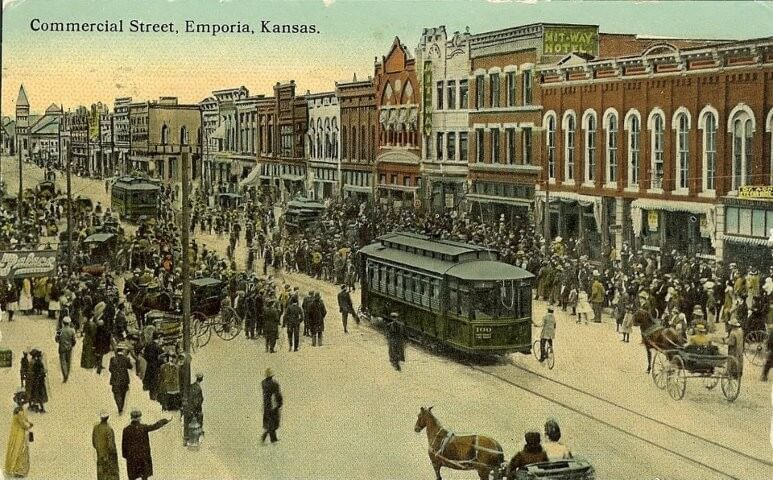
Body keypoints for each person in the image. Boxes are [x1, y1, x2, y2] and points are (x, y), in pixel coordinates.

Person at [121, 410, 170, 480]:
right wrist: (164, 421)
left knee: (132, 476)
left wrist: (126, 455)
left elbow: (124, 444)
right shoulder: (143, 428)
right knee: (144, 475)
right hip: (142, 456)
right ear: (139, 418)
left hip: (132, 458)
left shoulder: (126, 430)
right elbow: (154, 426)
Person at [4, 401, 33, 478]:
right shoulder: (20, 412)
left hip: (16, 434)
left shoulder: (18, 411)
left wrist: (28, 423)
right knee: (18, 451)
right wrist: (29, 425)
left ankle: (13, 469)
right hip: (18, 435)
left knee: (15, 451)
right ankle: (14, 469)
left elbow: (24, 421)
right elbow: (23, 423)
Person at [92, 411, 119, 480]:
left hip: (100, 455)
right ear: (107, 418)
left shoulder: (96, 428)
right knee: (109, 475)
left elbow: (94, 443)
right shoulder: (109, 429)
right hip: (108, 456)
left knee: (101, 475)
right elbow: (111, 445)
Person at [109, 347, 133, 415]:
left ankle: (119, 407)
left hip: (115, 380)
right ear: (123, 351)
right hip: (124, 380)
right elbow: (130, 367)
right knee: (123, 394)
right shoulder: (126, 359)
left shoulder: (113, 359)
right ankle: (121, 407)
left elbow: (110, 369)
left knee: (116, 394)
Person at [261, 368, 283, 444]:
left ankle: (272, 439)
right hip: (273, 406)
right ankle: (270, 439)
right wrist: (280, 403)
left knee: (270, 423)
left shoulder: (263, 383)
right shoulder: (274, 384)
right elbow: (278, 395)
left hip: (266, 406)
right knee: (273, 423)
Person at [56, 316, 77, 382]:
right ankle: (67, 373)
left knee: (63, 362)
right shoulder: (72, 330)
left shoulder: (60, 331)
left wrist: (60, 341)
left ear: (63, 323)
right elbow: (74, 340)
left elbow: (56, 339)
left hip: (62, 348)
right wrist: (72, 345)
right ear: (69, 323)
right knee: (68, 362)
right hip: (69, 348)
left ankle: (65, 375)